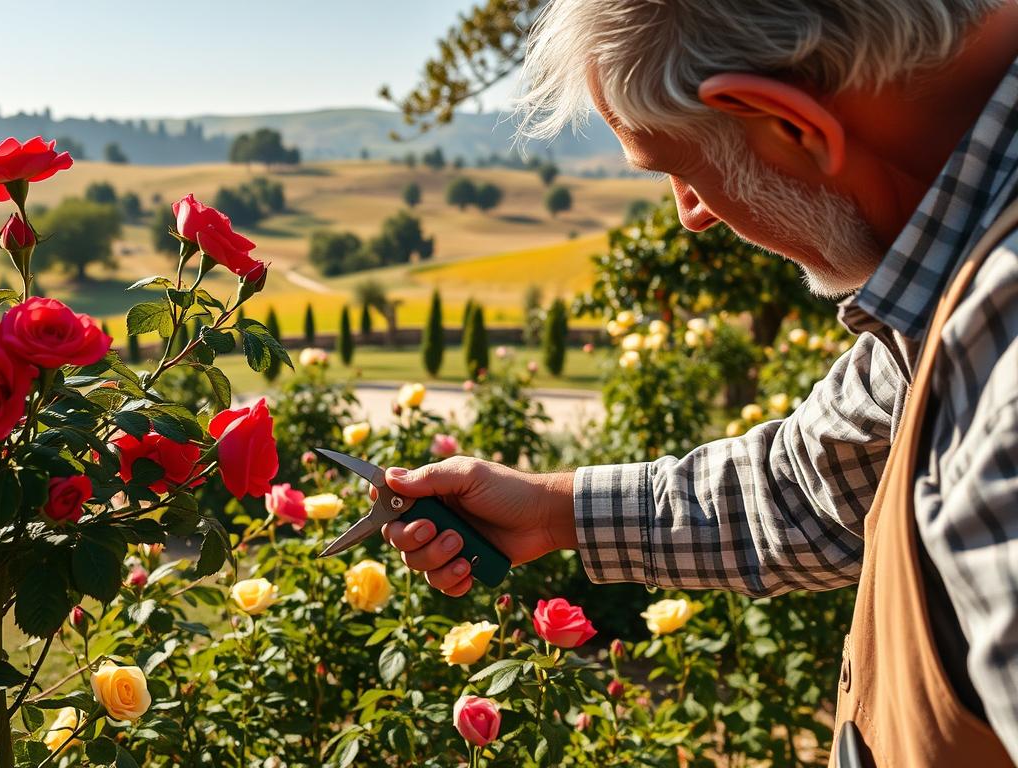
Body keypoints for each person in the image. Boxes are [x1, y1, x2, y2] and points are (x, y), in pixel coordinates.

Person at [380, 1, 1018, 764]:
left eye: (678, 168)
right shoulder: (962, 285)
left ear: (790, 124)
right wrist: (553, 512)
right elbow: (813, 485)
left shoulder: (1003, 370)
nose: (691, 215)